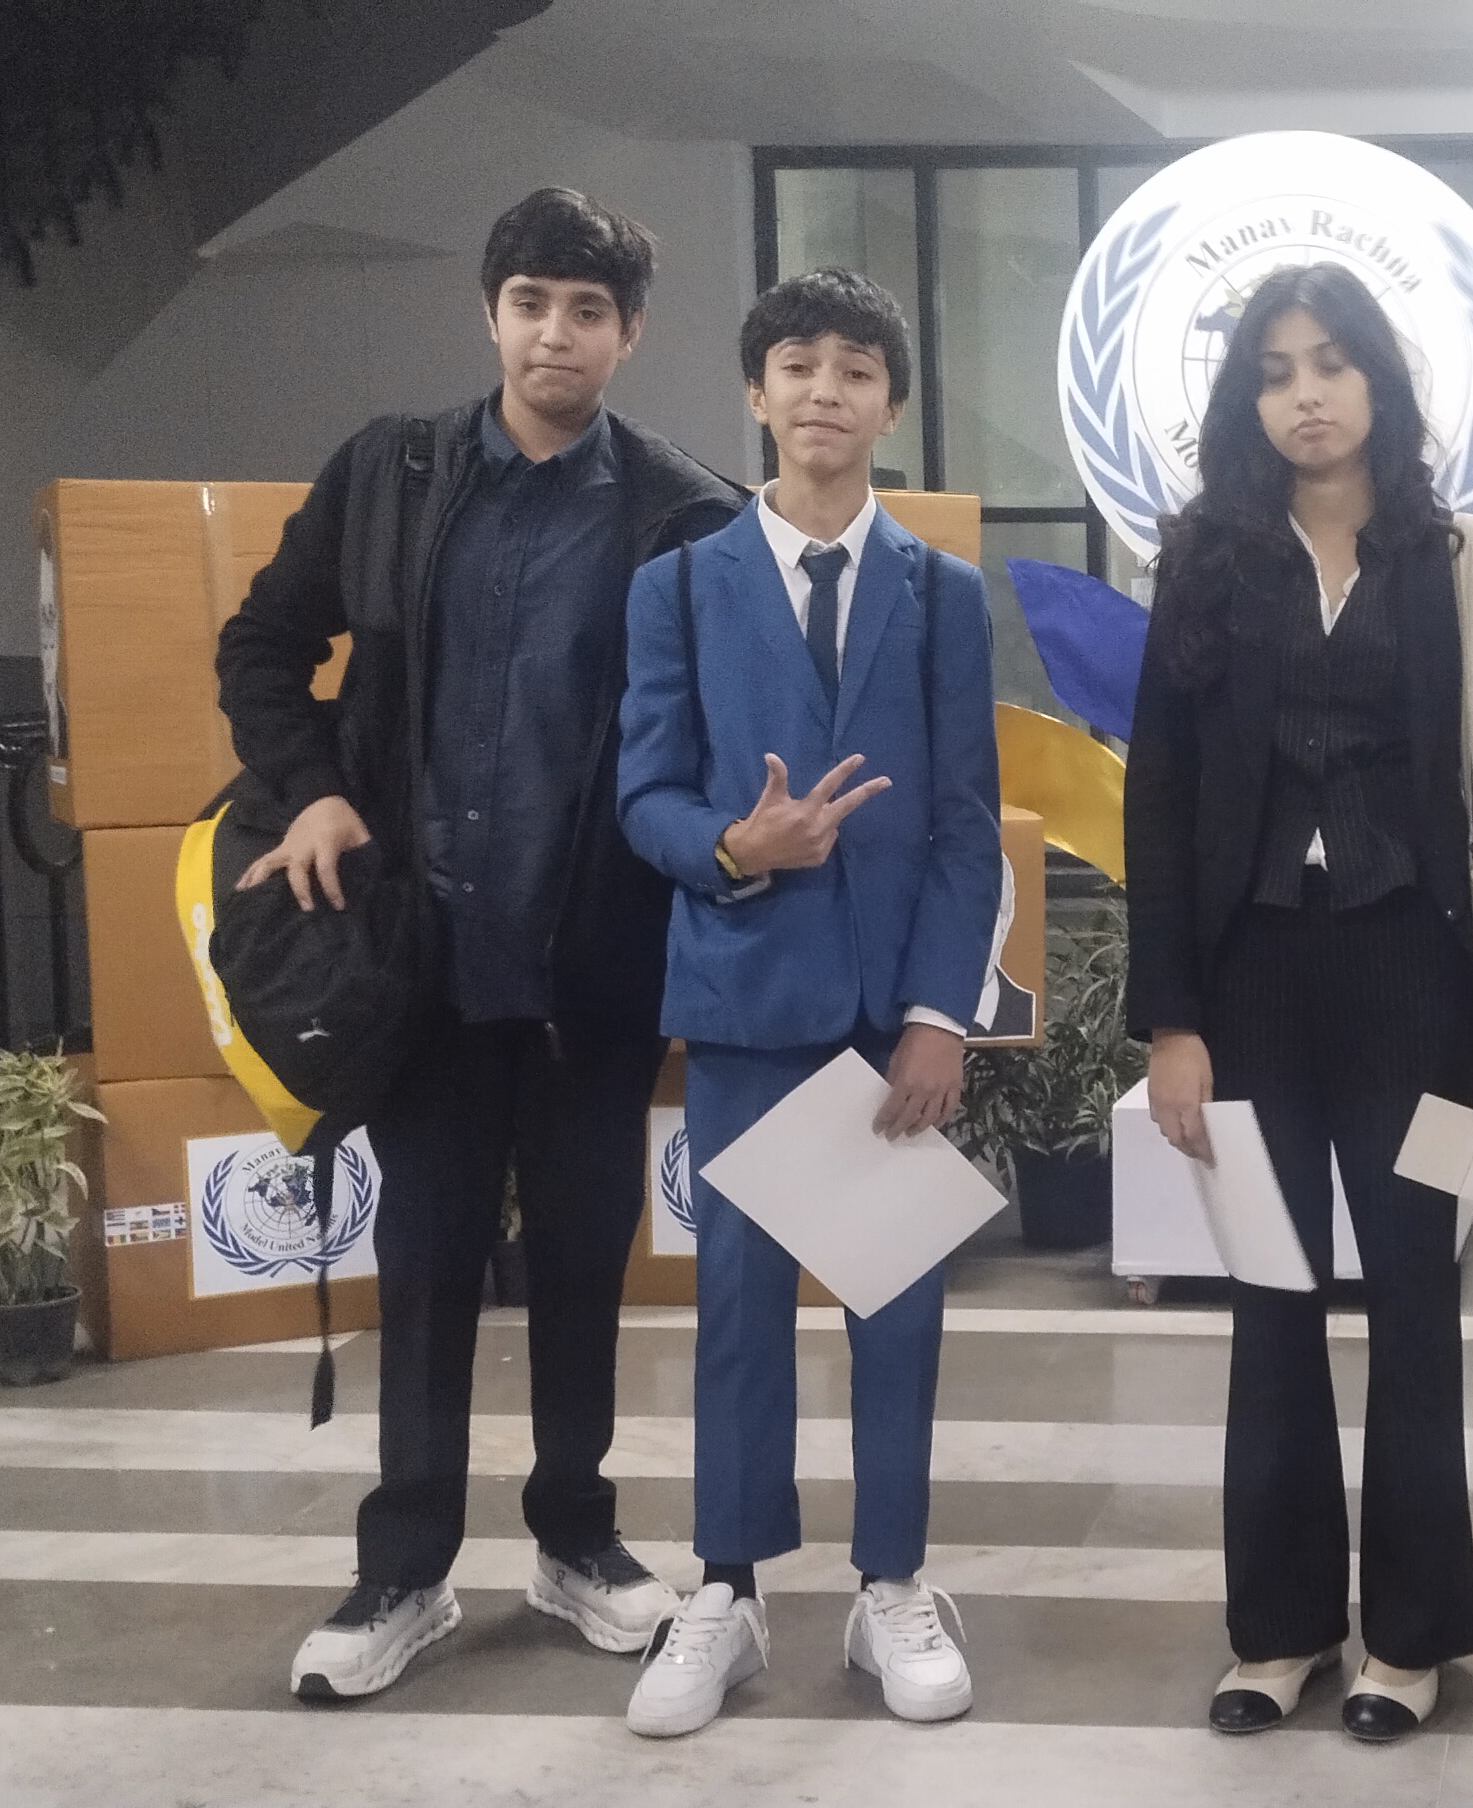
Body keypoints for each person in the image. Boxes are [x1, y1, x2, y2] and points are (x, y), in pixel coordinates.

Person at [221, 187, 746, 1702]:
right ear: (490, 312)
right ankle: (404, 1568)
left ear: (629, 334)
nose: (554, 334)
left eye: (587, 310)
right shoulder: (388, 475)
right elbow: (261, 645)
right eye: (530, 302)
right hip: (423, 963)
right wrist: (312, 792)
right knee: (428, 1264)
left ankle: (577, 1538)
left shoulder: (686, 514)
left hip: (592, 970)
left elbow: (712, 739)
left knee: (583, 1265)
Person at [1123, 261, 1473, 1745]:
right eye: (1274, 371)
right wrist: (1171, 1018)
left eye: (1330, 362)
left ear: (1379, 379)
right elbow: (1159, 798)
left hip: (1414, 985)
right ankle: (1283, 1626)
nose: (1304, 394)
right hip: (1249, 985)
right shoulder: (1203, 562)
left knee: (1417, 1306)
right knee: (1270, 1300)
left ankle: (1411, 1634)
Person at [611, 266, 1002, 1737]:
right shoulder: (677, 587)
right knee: (736, 1310)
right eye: (797, 364)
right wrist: (734, 846)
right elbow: (643, 792)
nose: (825, 390)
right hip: (745, 998)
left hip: (891, 1013)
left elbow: (965, 822)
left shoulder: (942, 594)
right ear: (755, 392)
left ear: (891, 405)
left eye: (855, 369)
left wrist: (940, 1014)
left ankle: (890, 1581)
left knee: (897, 1308)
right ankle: (726, 1590)